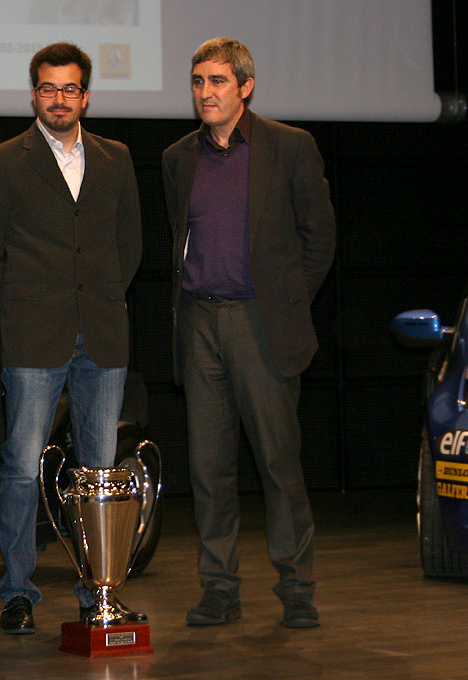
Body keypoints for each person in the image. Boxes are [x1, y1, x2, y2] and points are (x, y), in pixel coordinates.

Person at [162, 37, 336, 629]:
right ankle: (219, 589)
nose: (204, 92)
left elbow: (320, 241)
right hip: (199, 323)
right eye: (197, 81)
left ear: (245, 87)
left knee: (278, 465)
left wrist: (284, 304)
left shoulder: (290, 147)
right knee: (209, 469)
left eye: (216, 81)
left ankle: (297, 589)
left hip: (262, 323)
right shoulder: (177, 157)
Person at [0, 42, 143, 634]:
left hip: (101, 333)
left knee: (97, 469)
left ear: (86, 95)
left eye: (70, 88)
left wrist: (97, 298)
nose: (59, 99)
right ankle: (18, 590)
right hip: (32, 334)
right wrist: (14, 312)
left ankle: (96, 590)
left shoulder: (116, 157)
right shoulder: (4, 159)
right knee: (21, 467)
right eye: (48, 88)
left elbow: (131, 245)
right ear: (34, 94)